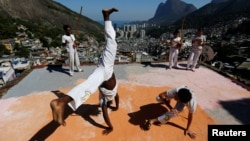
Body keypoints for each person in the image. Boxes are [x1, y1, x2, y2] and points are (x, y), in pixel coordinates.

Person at [50, 8, 119, 132]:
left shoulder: (105, 97)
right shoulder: (109, 95)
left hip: (105, 69)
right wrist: (111, 125)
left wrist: (111, 124)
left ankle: (62, 101)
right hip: (105, 69)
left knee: (89, 88)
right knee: (111, 41)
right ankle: (61, 102)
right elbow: (113, 101)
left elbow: (113, 101)